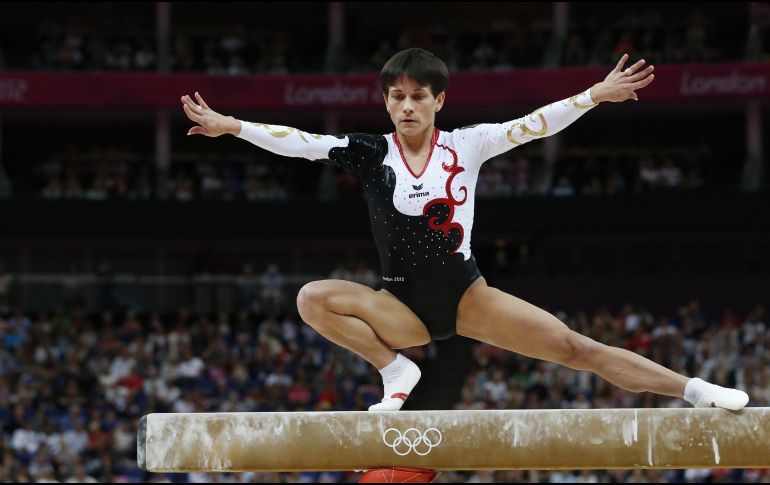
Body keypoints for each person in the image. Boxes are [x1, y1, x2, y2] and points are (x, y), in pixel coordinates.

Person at [180, 48, 749, 412]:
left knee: (578, 348)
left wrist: (593, 96)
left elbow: (532, 126)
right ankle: (395, 368)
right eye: (397, 97)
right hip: (399, 307)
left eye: (418, 96)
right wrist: (232, 126)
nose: (407, 106)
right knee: (311, 298)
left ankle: (694, 390)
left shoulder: (465, 145)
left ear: (438, 100)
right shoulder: (369, 151)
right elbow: (300, 142)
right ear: (385, 103)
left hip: (468, 295)